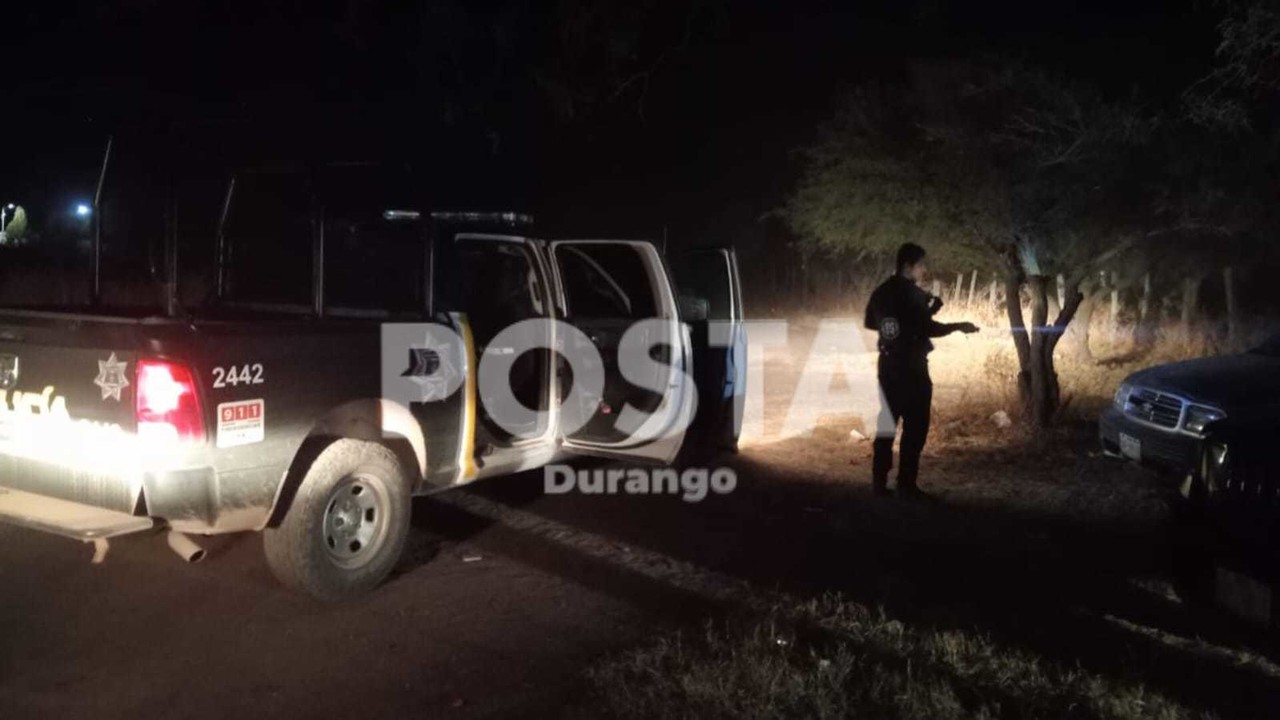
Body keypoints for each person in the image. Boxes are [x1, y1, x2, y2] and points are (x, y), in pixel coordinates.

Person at [863, 243, 979, 498]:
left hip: (888, 365)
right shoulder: (912, 294)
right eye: (921, 265)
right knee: (916, 427)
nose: (924, 269)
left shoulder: (881, 292)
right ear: (908, 265)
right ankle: (906, 484)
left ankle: (879, 482)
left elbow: (872, 322)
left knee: (887, 424)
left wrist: (916, 317)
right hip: (912, 367)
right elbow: (927, 328)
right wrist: (958, 325)